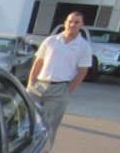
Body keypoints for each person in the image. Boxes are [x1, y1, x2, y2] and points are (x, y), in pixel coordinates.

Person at [27, 11, 92, 146]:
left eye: (76, 22)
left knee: (48, 125)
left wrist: (68, 90)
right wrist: (31, 82)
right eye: (70, 21)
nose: (72, 24)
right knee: (26, 119)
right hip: (38, 86)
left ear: (82, 25)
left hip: (60, 89)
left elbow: (82, 72)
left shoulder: (84, 46)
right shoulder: (51, 40)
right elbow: (38, 62)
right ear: (65, 23)